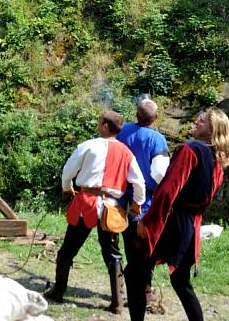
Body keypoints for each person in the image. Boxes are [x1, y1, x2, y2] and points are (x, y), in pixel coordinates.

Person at [124, 108, 229, 321]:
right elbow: (206, 200)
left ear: (213, 129)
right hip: (190, 225)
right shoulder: (218, 159)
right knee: (180, 281)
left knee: (134, 274)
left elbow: (168, 190)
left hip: (170, 222)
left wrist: (148, 222)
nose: (197, 122)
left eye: (202, 121)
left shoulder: (190, 149)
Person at [44, 110, 145, 315]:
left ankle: (58, 291)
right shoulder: (127, 152)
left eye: (100, 122)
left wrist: (66, 188)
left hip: (86, 204)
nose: (98, 124)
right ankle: (118, 303)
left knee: (68, 249)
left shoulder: (88, 146)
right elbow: (139, 182)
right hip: (112, 208)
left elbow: (68, 171)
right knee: (113, 254)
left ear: (106, 126)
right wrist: (137, 204)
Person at [117, 98, 169, 307]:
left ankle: (125, 291)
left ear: (136, 114)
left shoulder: (122, 131)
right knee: (145, 247)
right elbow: (159, 173)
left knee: (128, 245)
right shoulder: (157, 140)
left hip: (120, 198)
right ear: (155, 118)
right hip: (145, 201)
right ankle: (144, 293)